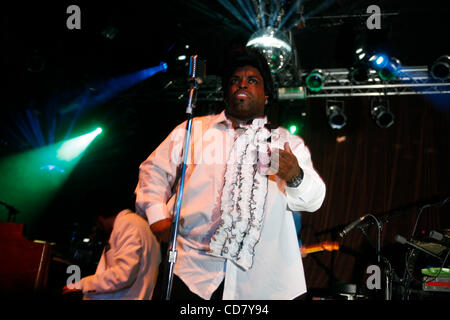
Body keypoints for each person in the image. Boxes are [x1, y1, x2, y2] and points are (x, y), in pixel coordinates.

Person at [135, 47, 326, 300]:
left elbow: (314, 200)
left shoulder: (286, 141)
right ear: (227, 92)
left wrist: (295, 175)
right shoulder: (193, 130)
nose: (242, 84)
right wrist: (158, 217)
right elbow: (153, 170)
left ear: (266, 95)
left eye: (252, 80)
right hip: (190, 271)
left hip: (261, 282)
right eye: (235, 80)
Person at [62, 192, 161, 300]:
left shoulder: (126, 224)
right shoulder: (142, 224)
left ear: (99, 219)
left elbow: (123, 275)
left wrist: (83, 284)